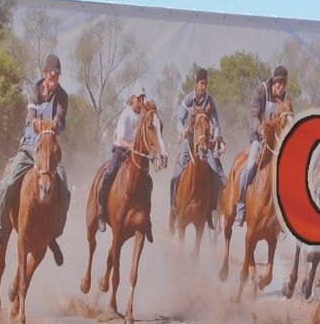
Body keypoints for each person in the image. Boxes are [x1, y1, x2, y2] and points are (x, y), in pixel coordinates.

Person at [0, 53, 70, 265]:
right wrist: (35, 124)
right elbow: (30, 116)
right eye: (52, 76)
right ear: (44, 73)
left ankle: (53, 235)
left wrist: (55, 123)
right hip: (31, 145)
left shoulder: (63, 96)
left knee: (64, 187)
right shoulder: (33, 90)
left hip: (49, 149)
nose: (54, 81)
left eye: (57, 77)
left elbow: (60, 118)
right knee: (6, 184)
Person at [169, 68, 226, 228]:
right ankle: (174, 206)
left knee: (215, 174)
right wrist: (183, 130)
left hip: (205, 143)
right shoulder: (188, 99)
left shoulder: (210, 101)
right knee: (176, 175)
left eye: (206, 83)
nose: (204, 86)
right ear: (197, 83)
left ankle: (209, 210)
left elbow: (216, 122)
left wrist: (216, 136)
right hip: (189, 142)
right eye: (202, 83)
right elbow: (179, 120)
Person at [235, 66, 290, 226]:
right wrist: (261, 130)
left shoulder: (286, 98)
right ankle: (241, 206)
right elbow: (252, 115)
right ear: (274, 81)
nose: (281, 86)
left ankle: (281, 217)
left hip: (276, 144)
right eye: (279, 82)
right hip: (258, 139)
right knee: (251, 165)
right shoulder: (261, 90)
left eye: (284, 83)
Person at [97, 88, 156, 232]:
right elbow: (121, 139)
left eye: (143, 99)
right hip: (121, 150)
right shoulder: (125, 114)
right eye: (138, 99)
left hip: (135, 155)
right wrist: (130, 145)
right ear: (132, 98)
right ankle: (102, 211)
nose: (140, 102)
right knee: (110, 173)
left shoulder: (143, 116)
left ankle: (146, 220)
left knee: (148, 181)